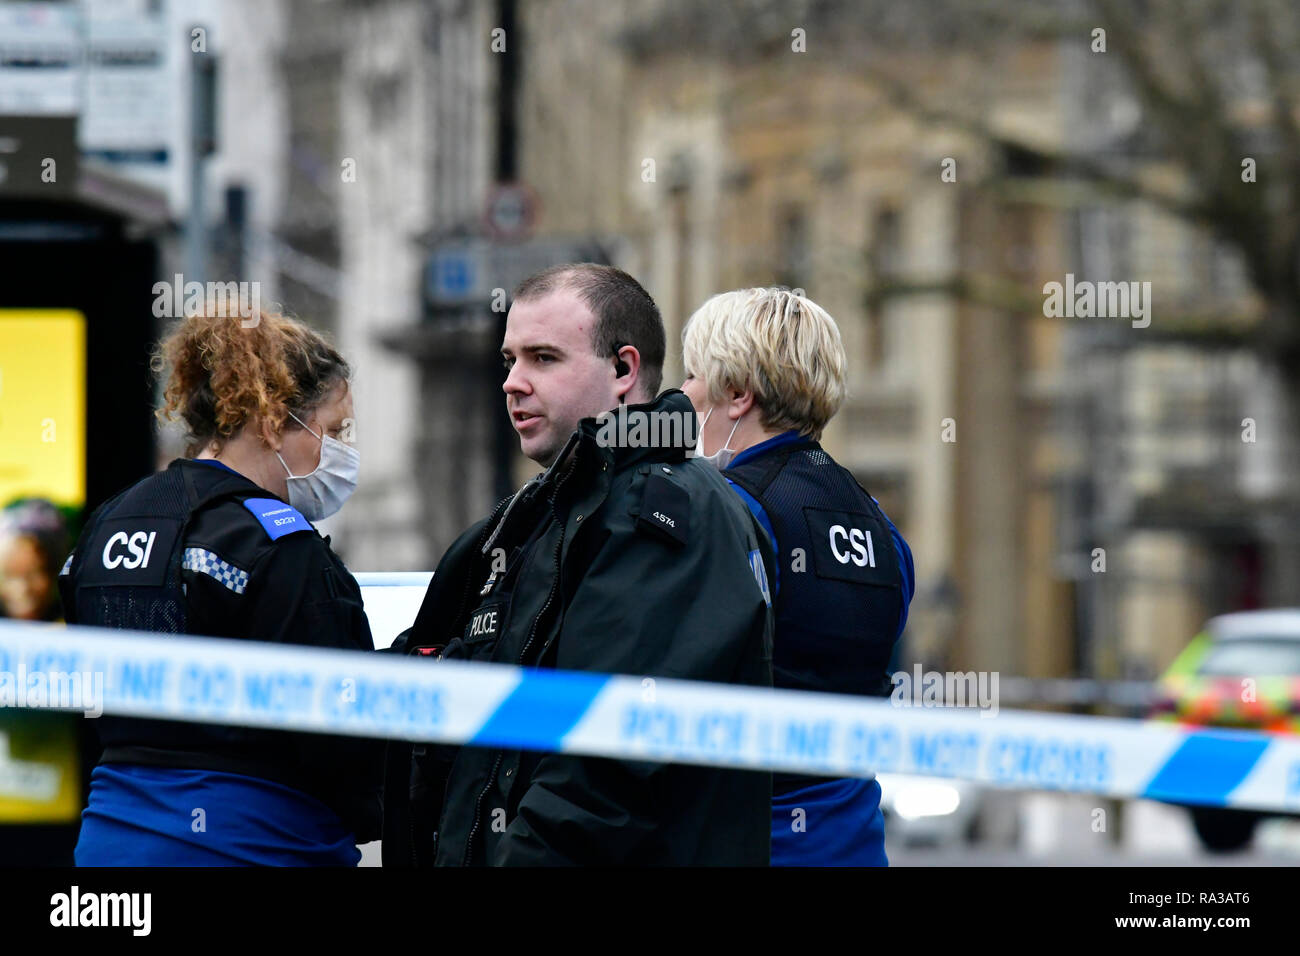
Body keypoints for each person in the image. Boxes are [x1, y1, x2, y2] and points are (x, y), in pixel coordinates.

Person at [383, 263, 776, 866]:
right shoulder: (533, 519)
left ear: (623, 370)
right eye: (509, 360)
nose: (513, 382)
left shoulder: (665, 510)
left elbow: (605, 771)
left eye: (543, 358)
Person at [57, 303, 384, 866]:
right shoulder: (278, 545)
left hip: (109, 843)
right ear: (275, 418)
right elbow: (338, 736)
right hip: (254, 843)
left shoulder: (109, 522)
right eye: (332, 430)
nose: (339, 452)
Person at [680, 287, 915, 867]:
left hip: (747, 841)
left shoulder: (726, 513)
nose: (681, 396)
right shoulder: (882, 530)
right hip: (855, 843)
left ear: (736, 395)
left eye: (691, 377)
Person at [0, 500, 95, 865]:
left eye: (35, 573)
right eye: (9, 575)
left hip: (64, 819)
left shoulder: (79, 637)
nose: (21, 589)